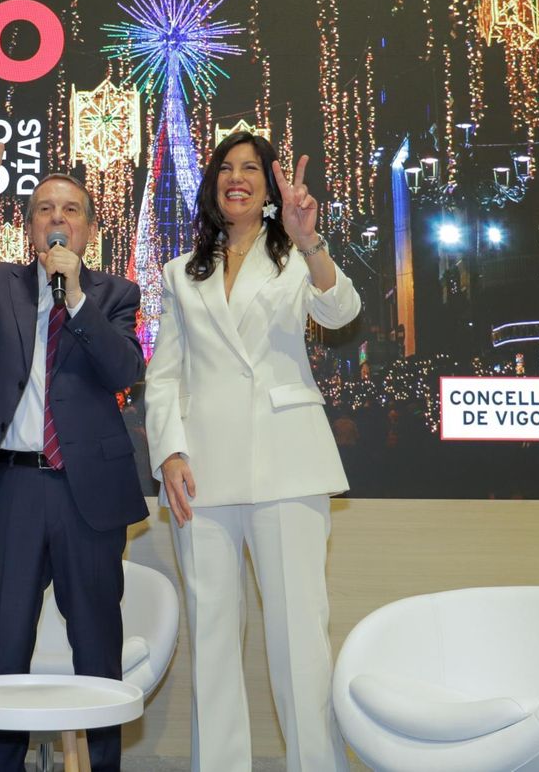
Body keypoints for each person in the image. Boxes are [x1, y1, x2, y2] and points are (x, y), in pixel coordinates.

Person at [144, 131, 360, 771]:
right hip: (201, 475)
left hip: (286, 464)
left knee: (299, 641)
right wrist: (170, 453)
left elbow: (343, 310)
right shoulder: (182, 272)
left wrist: (310, 239)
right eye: (225, 169)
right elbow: (164, 377)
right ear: (213, 185)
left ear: (270, 188)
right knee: (211, 643)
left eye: (251, 170)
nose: (236, 178)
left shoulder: (295, 257)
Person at [0, 140, 147, 772]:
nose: (57, 218)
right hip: (10, 489)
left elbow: (123, 367)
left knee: (98, 654)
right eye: (44, 208)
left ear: (90, 225)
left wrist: (74, 297)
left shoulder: (115, 294)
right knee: (3, 651)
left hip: (88, 494)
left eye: (70, 209)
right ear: (26, 226)